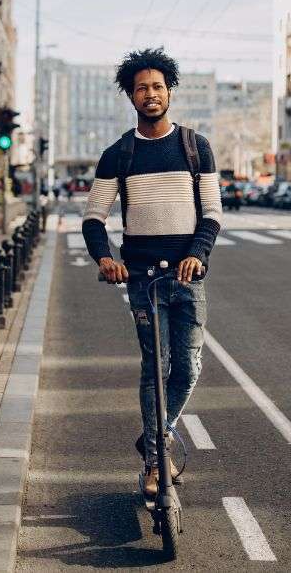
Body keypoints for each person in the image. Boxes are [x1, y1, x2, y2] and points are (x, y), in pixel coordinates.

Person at [82, 49, 222, 498]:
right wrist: (106, 258)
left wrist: (197, 253)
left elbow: (213, 213)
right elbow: (93, 218)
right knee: (154, 367)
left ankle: (155, 434)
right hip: (142, 279)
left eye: (158, 86)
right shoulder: (118, 155)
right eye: (142, 88)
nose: (151, 94)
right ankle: (155, 461)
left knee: (188, 367)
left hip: (188, 277)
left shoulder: (194, 146)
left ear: (169, 91)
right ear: (131, 95)